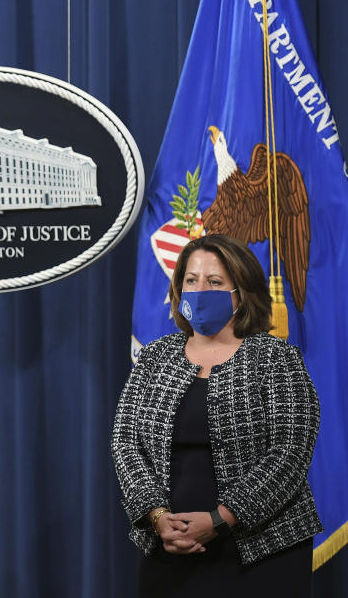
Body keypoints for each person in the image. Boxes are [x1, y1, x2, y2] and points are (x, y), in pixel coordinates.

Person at [111, 234, 321, 597]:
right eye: (191, 280)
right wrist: (158, 518)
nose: (199, 290)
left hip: (262, 551)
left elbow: (290, 452)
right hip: (170, 547)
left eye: (214, 282)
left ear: (241, 292)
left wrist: (220, 520)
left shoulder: (276, 359)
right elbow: (126, 443)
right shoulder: (155, 358)